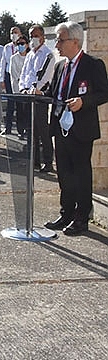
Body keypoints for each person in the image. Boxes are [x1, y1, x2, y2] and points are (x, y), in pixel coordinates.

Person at [42, 21, 108, 236]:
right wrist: (40, 93)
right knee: (64, 173)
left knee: (81, 173)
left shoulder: (93, 64)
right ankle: (66, 212)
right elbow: (54, 90)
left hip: (81, 129)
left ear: (75, 41)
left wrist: (83, 102)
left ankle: (81, 218)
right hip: (61, 126)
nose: (57, 45)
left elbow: (103, 93)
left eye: (61, 40)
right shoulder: (60, 65)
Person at [19, 25, 56, 173]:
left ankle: (47, 161)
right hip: (27, 96)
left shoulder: (48, 55)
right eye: (31, 35)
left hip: (39, 96)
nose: (33, 38)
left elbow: (45, 76)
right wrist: (23, 88)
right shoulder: (30, 54)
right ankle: (34, 161)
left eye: (36, 35)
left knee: (42, 130)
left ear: (43, 37)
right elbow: (24, 74)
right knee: (31, 130)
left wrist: (36, 89)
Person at [0, 27, 22, 135]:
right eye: (12, 32)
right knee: (10, 102)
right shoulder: (7, 47)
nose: (13, 34)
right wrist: (1, 79)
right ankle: (7, 128)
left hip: (20, 76)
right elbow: (3, 62)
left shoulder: (23, 45)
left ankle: (21, 129)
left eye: (15, 32)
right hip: (9, 75)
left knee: (20, 103)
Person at [9, 35, 30, 137]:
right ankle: (20, 130)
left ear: (27, 45)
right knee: (20, 110)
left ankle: (28, 129)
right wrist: (22, 82)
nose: (20, 46)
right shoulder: (13, 58)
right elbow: (14, 73)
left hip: (29, 88)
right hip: (18, 87)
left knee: (28, 110)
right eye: (18, 44)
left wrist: (27, 83)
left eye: (22, 44)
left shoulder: (30, 56)